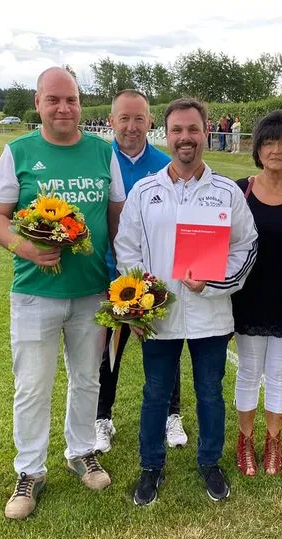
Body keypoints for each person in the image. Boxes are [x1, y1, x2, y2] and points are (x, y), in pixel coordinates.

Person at [0, 67, 126, 520]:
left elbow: (117, 217)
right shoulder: (18, 152)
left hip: (91, 291)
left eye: (71, 99)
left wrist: (122, 276)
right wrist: (27, 248)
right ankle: (29, 471)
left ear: (80, 103)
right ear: (38, 103)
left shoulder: (103, 152)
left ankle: (81, 452)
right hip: (35, 292)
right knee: (32, 385)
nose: (64, 108)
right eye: (54, 100)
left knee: (87, 378)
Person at [115, 98, 258, 506]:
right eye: (177, 130)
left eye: (193, 129)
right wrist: (139, 304)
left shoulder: (226, 192)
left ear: (206, 131)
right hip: (160, 317)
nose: (185, 138)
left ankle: (210, 462)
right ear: (166, 134)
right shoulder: (144, 191)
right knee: (155, 393)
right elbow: (127, 248)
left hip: (210, 315)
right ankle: (151, 465)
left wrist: (213, 283)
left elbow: (246, 246)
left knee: (210, 392)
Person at [94, 89, 187, 455]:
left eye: (139, 118)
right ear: (111, 121)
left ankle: (172, 414)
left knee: (166, 349)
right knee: (108, 353)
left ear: (150, 121)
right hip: (110, 277)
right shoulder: (100, 161)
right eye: (124, 118)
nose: (131, 126)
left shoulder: (167, 164)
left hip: (159, 280)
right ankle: (102, 417)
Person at [232, 110, 282, 477]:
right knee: (248, 371)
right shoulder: (239, 190)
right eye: (268, 142)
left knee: (279, 373)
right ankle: (245, 441)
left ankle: (273, 441)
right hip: (246, 297)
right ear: (258, 149)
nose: (275, 150)